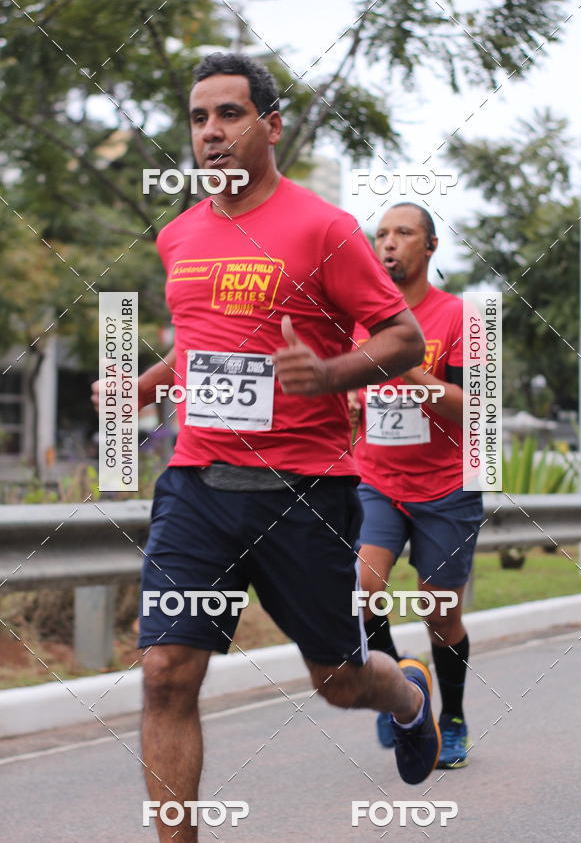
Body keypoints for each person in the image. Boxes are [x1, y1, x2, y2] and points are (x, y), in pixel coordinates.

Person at [93, 54, 441, 841]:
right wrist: (142, 389)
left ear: (270, 125)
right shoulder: (179, 234)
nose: (211, 134)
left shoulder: (323, 228)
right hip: (198, 485)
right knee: (165, 674)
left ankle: (410, 696)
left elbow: (401, 336)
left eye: (230, 115)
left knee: (342, 684)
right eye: (198, 119)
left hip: (306, 491)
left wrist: (328, 375)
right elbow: (203, 345)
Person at [349, 203, 484, 769]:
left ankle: (451, 716)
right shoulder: (355, 321)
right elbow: (341, 398)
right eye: (380, 233)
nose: (388, 243)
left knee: (439, 612)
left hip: (447, 487)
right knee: (361, 590)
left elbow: (475, 410)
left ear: (429, 247)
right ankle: (394, 692)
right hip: (376, 480)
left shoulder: (462, 318)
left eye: (403, 233)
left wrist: (406, 368)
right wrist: (349, 402)